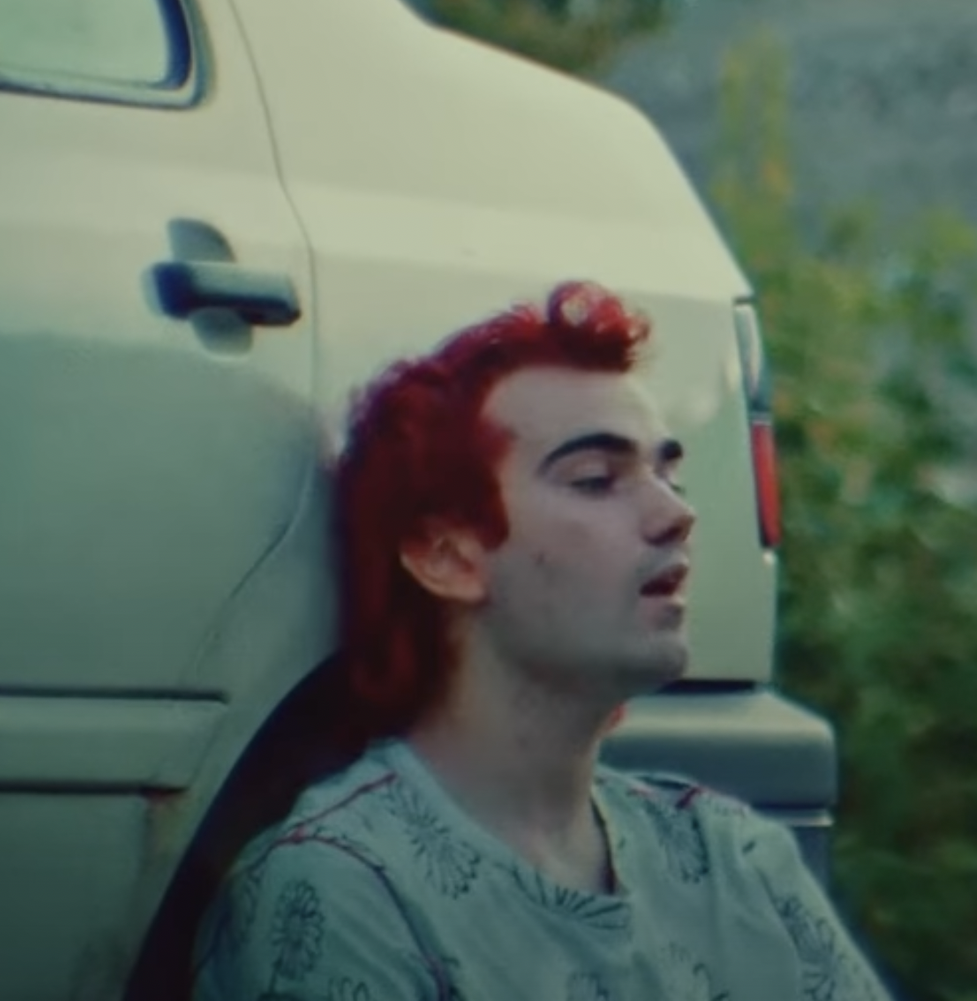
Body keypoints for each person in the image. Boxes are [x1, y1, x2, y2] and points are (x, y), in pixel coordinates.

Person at [193, 282, 892, 1001]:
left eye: (668, 475)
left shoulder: (730, 858)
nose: (676, 514)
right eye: (596, 480)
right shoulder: (343, 888)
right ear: (446, 555)